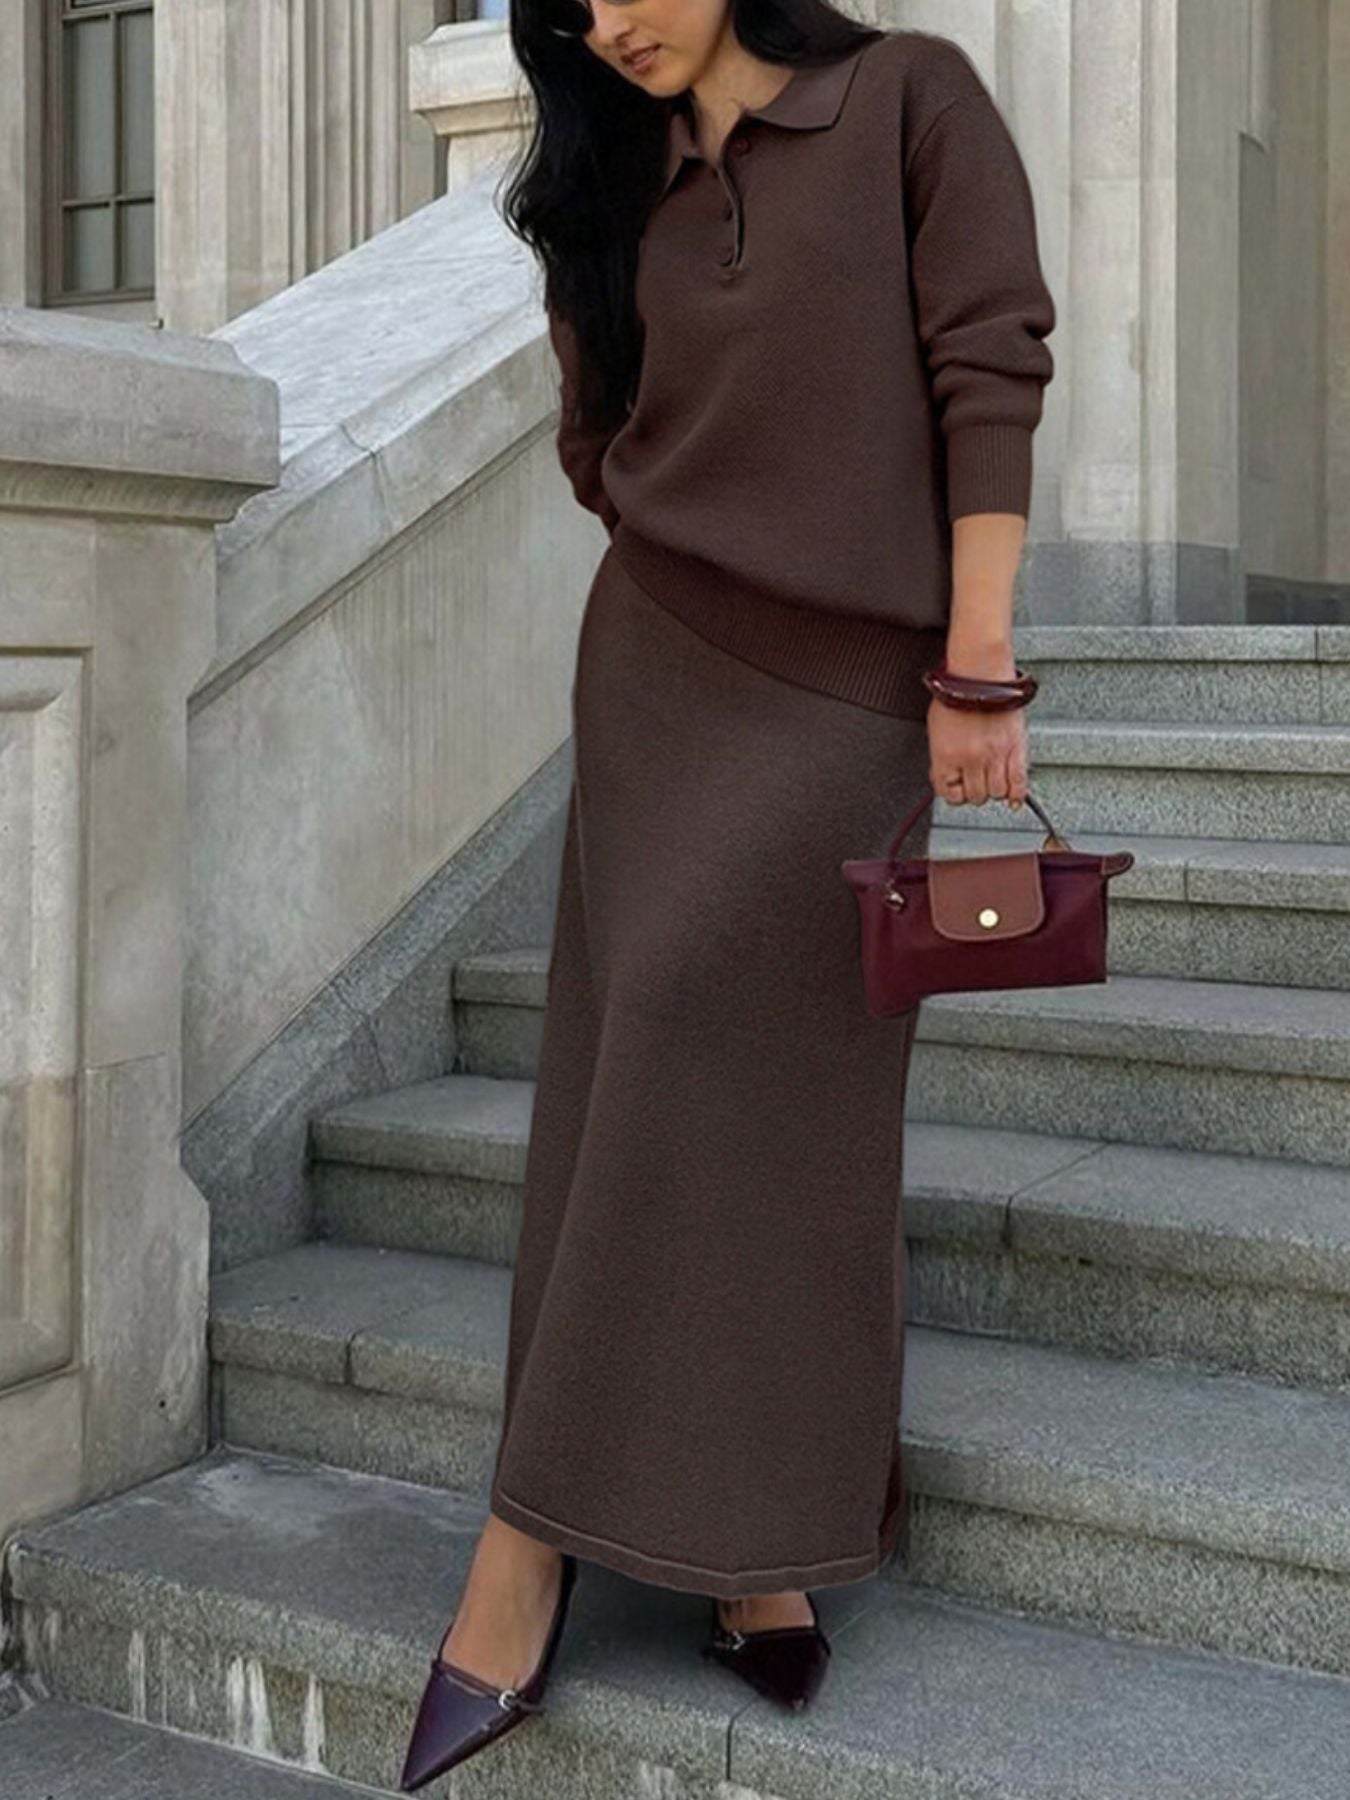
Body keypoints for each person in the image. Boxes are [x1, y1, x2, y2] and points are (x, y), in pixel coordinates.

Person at [400, 0, 1055, 1785]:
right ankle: (629, 1555)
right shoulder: (608, 188)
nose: (610, 18)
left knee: (785, 1111)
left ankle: (631, 1546)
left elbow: (987, 364)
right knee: (627, 1078)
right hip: (661, 674)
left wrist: (972, 667)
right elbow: (595, 438)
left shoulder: (910, 97)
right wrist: (702, 535)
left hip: (854, 702)